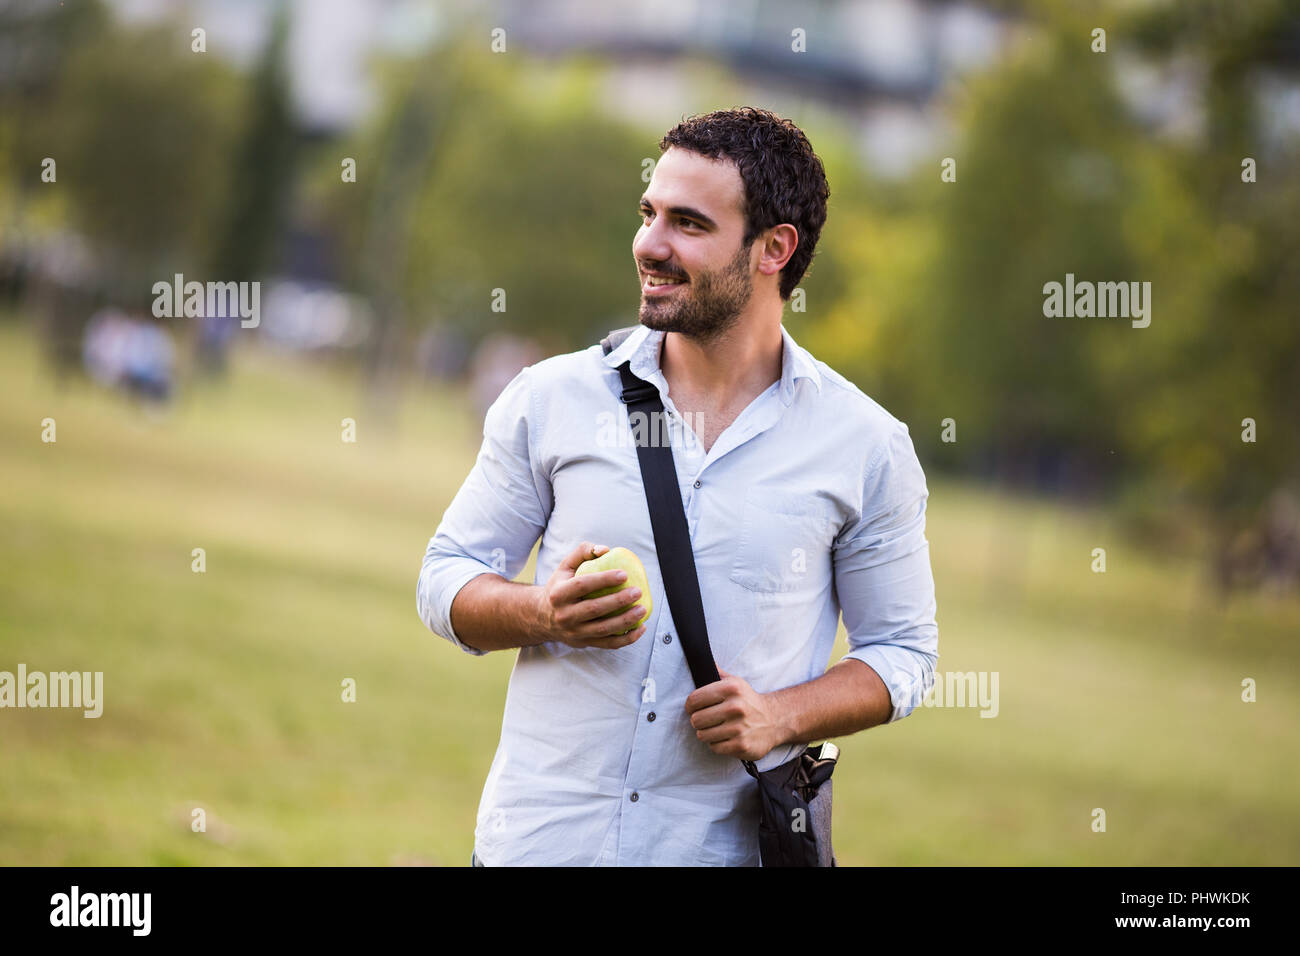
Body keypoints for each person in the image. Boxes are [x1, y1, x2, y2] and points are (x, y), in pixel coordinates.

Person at [417, 107, 939, 866]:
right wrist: (542, 611)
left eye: (688, 224)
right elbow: (445, 578)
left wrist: (779, 715)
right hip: (538, 846)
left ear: (774, 249)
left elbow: (902, 653)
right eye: (649, 213)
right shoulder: (551, 398)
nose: (649, 246)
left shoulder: (865, 447)